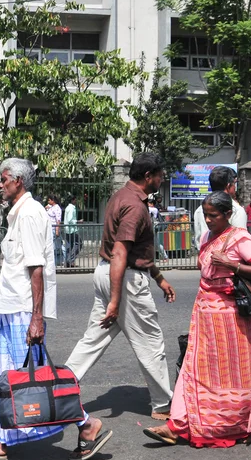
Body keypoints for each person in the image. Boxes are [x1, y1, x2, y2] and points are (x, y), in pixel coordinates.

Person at [0, 158, 112, 460]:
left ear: (19, 181)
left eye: (4, 179)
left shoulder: (29, 214)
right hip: (8, 308)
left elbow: (36, 269)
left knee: (37, 379)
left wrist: (36, 318)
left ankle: (86, 423)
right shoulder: (18, 214)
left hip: (22, 312)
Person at [143, 191, 251, 448]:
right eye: (206, 215)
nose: (209, 220)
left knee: (233, 374)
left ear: (227, 215)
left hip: (232, 318)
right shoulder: (206, 237)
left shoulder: (239, 237)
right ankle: (179, 423)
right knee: (194, 368)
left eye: (214, 215)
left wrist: (232, 264)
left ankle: (244, 424)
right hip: (204, 315)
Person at [65, 152, 176, 421]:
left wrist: (159, 278)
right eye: (160, 175)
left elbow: (135, 250)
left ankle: (60, 388)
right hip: (123, 279)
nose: (162, 179)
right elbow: (120, 253)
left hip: (107, 274)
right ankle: (164, 405)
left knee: (93, 338)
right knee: (150, 342)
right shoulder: (136, 207)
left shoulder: (121, 196)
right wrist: (116, 301)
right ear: (148, 176)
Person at [193, 166, 247, 250]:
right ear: (229, 186)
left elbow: (198, 240)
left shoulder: (199, 210)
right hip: (226, 260)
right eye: (234, 184)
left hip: (205, 258)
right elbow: (241, 242)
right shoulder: (236, 210)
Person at [63, 194, 81, 268]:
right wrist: (78, 221)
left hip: (68, 229)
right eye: (75, 200)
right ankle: (70, 260)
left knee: (70, 246)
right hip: (71, 230)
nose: (76, 201)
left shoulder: (68, 207)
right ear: (73, 200)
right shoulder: (71, 208)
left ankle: (68, 262)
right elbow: (70, 220)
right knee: (78, 243)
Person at [46, 194, 63, 266]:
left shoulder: (57, 208)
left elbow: (58, 220)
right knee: (52, 245)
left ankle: (56, 261)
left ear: (53, 200)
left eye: (49, 200)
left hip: (53, 228)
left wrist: (57, 230)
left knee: (54, 246)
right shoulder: (51, 207)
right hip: (49, 228)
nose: (48, 201)